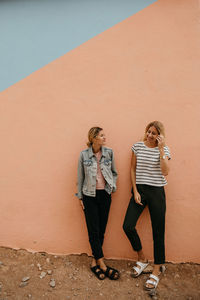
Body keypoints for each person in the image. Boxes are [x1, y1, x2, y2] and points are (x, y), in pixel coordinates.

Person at [123, 121, 171, 291]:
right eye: (149, 132)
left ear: (159, 135)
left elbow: (165, 171)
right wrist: (135, 191)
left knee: (158, 231)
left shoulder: (164, 149)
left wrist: (161, 149)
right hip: (140, 190)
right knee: (127, 226)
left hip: (157, 192)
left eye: (154, 133)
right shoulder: (137, 146)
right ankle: (142, 259)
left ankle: (157, 268)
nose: (150, 135)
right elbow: (132, 169)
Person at [76, 126, 120, 280]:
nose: (104, 137)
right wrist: (80, 197)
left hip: (105, 195)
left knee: (101, 229)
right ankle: (102, 264)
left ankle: (94, 261)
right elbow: (80, 177)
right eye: (101, 135)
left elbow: (114, 173)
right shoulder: (84, 155)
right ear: (93, 138)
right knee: (93, 230)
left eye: (104, 135)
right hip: (89, 195)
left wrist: (112, 186)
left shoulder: (109, 153)